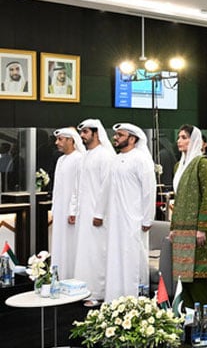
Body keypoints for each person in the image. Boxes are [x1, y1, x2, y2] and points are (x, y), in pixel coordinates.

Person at [100, 123, 156, 302]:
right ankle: (114, 299)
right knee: (115, 258)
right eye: (115, 134)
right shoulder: (116, 159)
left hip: (134, 220)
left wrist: (147, 218)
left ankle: (135, 301)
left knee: (133, 259)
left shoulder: (141, 159)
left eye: (120, 135)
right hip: (115, 220)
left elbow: (149, 191)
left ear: (132, 139)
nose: (115, 137)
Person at [170, 125, 207, 308]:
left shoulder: (203, 163)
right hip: (182, 230)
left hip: (199, 231)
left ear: (195, 140)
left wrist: (202, 228)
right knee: (184, 277)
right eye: (179, 137)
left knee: (199, 277)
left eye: (184, 137)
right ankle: (187, 322)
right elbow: (178, 200)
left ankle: (201, 323)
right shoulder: (178, 165)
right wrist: (173, 229)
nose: (179, 141)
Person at [74, 119, 116, 307]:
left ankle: (98, 293)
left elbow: (106, 188)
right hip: (85, 214)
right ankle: (85, 289)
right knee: (86, 253)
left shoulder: (105, 156)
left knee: (97, 253)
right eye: (81, 133)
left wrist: (99, 213)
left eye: (85, 132)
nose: (82, 136)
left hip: (98, 216)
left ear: (96, 133)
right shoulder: (87, 155)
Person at [50, 127, 85, 279]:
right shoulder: (61, 160)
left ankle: (71, 277)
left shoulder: (79, 159)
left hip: (72, 213)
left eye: (61, 139)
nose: (57, 143)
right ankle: (59, 276)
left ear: (71, 140)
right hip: (59, 210)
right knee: (59, 244)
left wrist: (73, 210)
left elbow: (78, 188)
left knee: (71, 245)